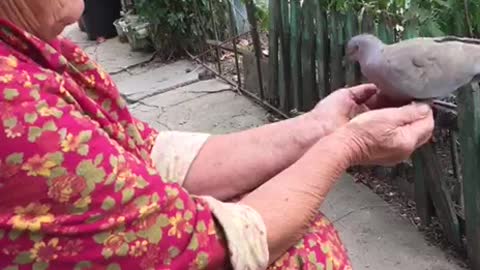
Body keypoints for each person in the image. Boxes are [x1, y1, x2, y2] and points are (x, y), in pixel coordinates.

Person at [0, 0, 434, 269]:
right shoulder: (15, 110)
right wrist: (348, 145)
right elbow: (201, 243)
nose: (82, 11)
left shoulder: (39, 50)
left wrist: (318, 128)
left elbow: (142, 152)